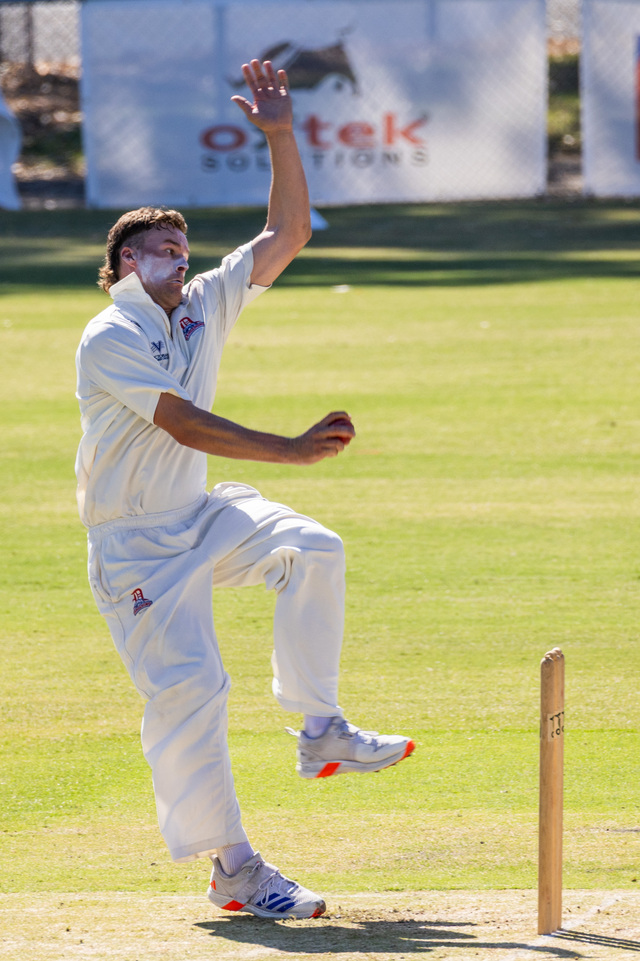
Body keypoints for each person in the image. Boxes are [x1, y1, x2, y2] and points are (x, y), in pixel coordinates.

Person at [75, 58, 415, 921]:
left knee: (314, 549)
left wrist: (279, 134)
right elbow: (183, 423)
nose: (177, 257)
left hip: (199, 511)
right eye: (157, 247)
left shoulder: (200, 304)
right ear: (119, 262)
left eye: (183, 247)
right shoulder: (108, 333)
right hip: (135, 544)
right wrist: (293, 452)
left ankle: (320, 727)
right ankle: (234, 868)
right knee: (192, 690)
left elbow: (288, 232)